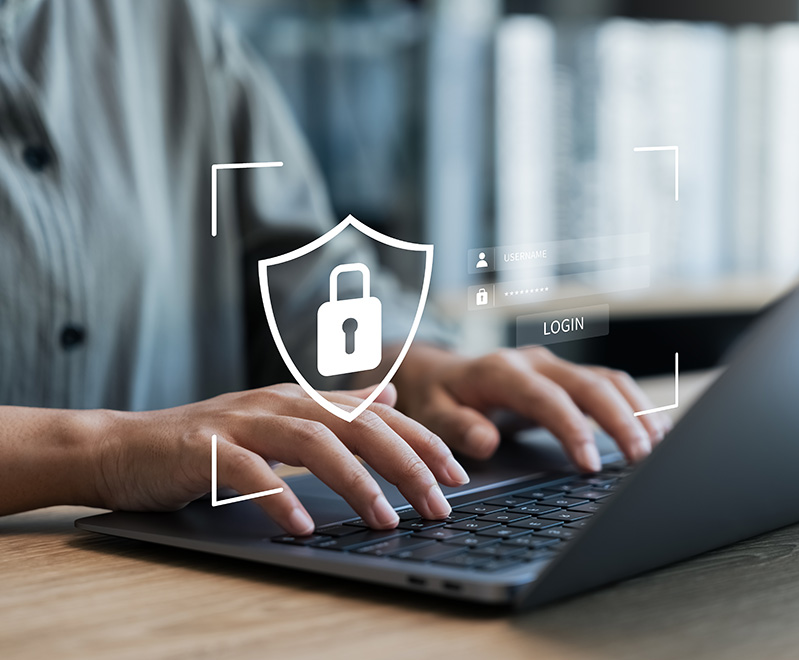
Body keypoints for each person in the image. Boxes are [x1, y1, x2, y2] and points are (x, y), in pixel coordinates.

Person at [0, 0, 670, 538]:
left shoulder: (168, 22)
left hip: (167, 589)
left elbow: (302, 274)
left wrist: (413, 369)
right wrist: (105, 451)